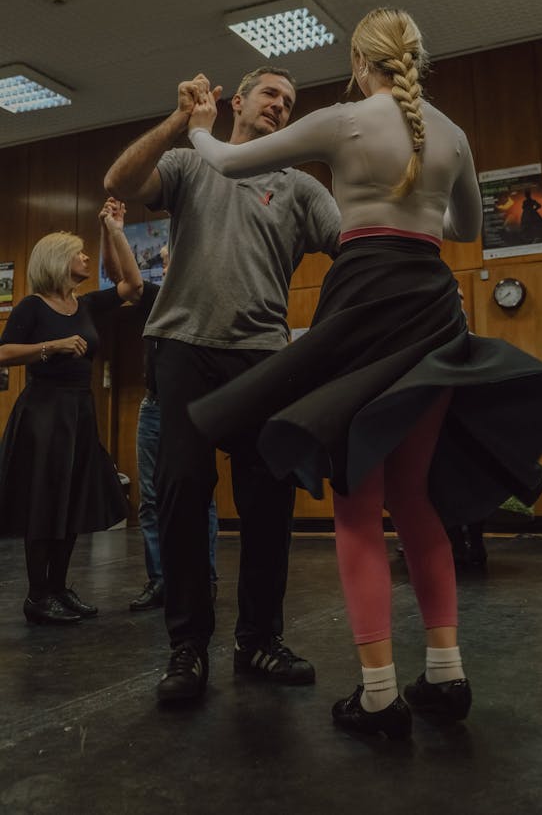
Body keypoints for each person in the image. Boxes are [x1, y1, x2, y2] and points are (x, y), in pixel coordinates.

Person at [184, 8, 542, 739]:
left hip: (365, 300)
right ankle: (447, 676)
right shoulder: (453, 135)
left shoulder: (344, 121)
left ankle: (378, 694)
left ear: (360, 63)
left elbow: (232, 163)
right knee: (415, 498)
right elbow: (467, 229)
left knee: (357, 504)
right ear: (416, 60)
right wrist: (418, 201)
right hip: (430, 303)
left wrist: (201, 128)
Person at [103, 66, 341, 703]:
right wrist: (181, 120)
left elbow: (353, 245)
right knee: (182, 491)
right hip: (183, 347)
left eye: (289, 101)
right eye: (270, 94)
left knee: (269, 501)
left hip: (262, 358)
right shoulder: (190, 162)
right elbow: (119, 181)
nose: (281, 106)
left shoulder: (300, 188)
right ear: (238, 101)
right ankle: (187, 648)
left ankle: (259, 640)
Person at [0, 201, 143, 625]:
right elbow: (3, 352)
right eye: (78, 252)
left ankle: (58, 588)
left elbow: (133, 284)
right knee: (43, 503)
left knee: (72, 501)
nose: (85, 257)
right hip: (43, 416)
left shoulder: (87, 305)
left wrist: (112, 229)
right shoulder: (31, 307)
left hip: (79, 413)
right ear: (58, 260)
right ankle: (37, 595)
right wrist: (52, 346)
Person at [100, 229, 219, 612]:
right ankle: (161, 580)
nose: (164, 268)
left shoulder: (205, 299)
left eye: (169, 261)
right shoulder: (156, 298)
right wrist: (113, 231)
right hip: (154, 407)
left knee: (201, 496)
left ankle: (206, 579)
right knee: (151, 499)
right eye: (163, 262)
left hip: (194, 408)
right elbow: (125, 277)